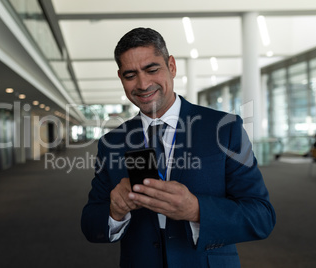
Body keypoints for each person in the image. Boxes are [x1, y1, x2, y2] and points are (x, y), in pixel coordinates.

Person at [81, 27, 276, 268]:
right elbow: (90, 224)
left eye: (152, 69)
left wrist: (196, 210)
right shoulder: (112, 142)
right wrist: (115, 211)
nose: (143, 84)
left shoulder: (224, 128)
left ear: (171, 66)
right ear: (120, 77)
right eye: (131, 75)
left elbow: (261, 216)